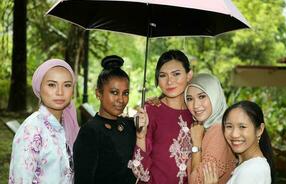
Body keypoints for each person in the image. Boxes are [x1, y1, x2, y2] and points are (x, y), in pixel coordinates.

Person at [9, 59, 79, 184]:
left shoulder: (68, 126)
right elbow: (20, 180)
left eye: (67, 85)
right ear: (39, 88)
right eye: (52, 85)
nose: (60, 92)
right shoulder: (31, 129)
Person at [128, 49, 193, 184]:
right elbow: (140, 170)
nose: (170, 81)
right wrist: (140, 135)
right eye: (163, 75)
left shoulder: (196, 112)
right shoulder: (150, 111)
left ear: (189, 75)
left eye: (176, 74)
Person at [73, 55, 136, 184]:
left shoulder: (129, 125)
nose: (121, 99)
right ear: (99, 94)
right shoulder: (90, 132)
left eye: (125, 93)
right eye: (114, 92)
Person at [202, 100, 274, 184]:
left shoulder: (252, 170)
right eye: (229, 126)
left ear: (259, 130)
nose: (234, 134)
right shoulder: (248, 165)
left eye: (242, 127)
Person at [184, 73, 236, 184]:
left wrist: (196, 144)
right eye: (189, 99)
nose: (196, 105)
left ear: (214, 96)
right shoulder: (207, 128)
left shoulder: (218, 131)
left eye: (202, 96)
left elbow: (196, 181)